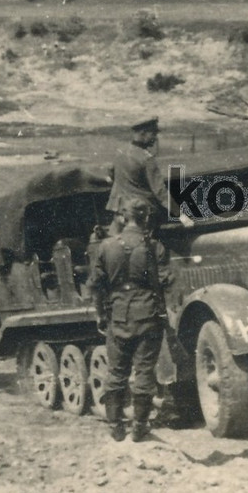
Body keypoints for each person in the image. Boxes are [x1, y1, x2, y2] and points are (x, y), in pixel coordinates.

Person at [87, 202, 174, 442]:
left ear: (124, 218)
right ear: (145, 219)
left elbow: (96, 285)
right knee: (144, 372)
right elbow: (167, 281)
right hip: (147, 316)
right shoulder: (154, 247)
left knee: (116, 373)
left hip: (117, 317)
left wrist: (100, 315)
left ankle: (115, 426)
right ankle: (139, 427)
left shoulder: (105, 247)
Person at [107, 116, 194, 233]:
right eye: (153, 133)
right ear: (143, 133)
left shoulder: (120, 152)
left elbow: (111, 173)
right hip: (140, 214)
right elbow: (160, 192)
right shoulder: (146, 159)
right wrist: (182, 215)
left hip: (120, 210)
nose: (155, 138)